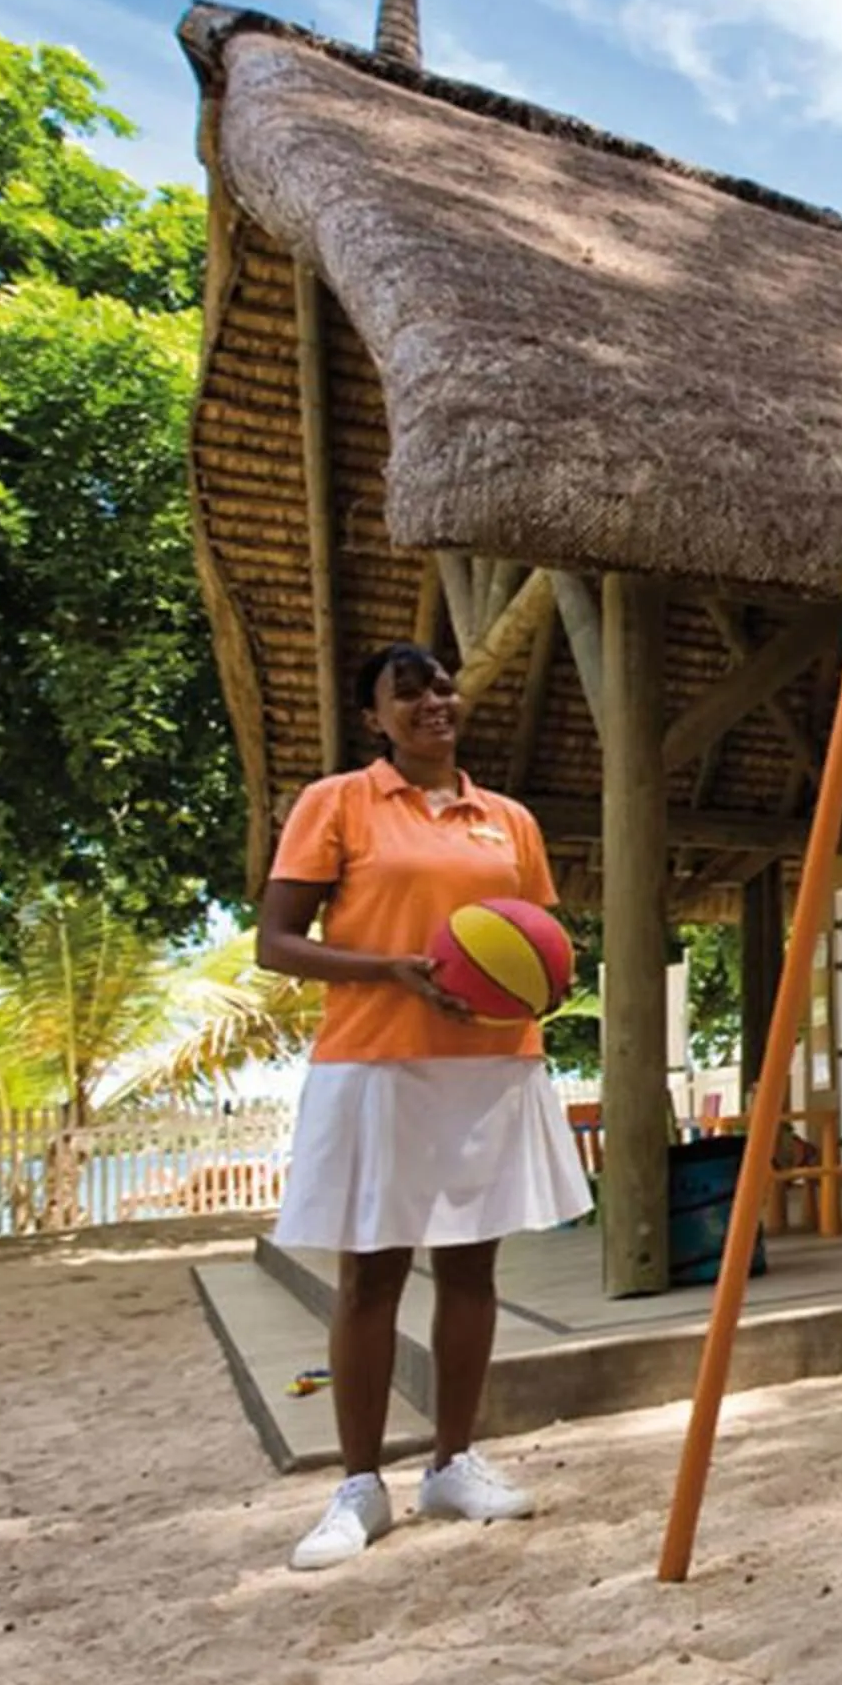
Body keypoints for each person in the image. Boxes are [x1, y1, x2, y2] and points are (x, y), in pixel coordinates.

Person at [258, 643, 592, 1570]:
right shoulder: (337, 804)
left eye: (442, 686)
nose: (433, 702)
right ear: (376, 718)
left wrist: (546, 984)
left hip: (490, 1068)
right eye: (408, 694)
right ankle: (359, 1487)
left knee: (474, 1271)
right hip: (377, 1064)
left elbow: (534, 938)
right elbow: (276, 944)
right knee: (370, 1275)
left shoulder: (509, 820)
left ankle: (452, 1463)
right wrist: (391, 974)